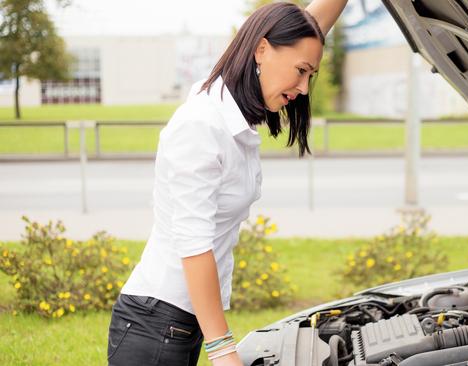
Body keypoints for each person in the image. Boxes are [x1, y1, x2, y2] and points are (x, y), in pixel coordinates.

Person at [106, 1, 347, 365]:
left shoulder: (228, 107)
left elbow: (307, 32)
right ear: (261, 49)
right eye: (300, 71)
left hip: (175, 323)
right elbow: (194, 243)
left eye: (310, 75)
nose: (302, 87)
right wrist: (222, 351)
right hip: (154, 326)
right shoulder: (202, 125)